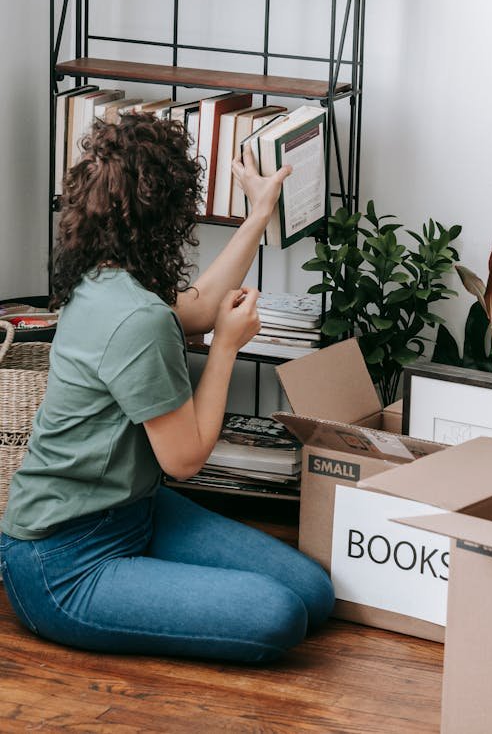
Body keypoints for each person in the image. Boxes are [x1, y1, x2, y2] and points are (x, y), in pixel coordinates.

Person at [0, 112, 334, 661]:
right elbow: (184, 461)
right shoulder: (136, 317)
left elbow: (199, 308)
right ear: (168, 213)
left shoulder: (104, 278)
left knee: (313, 594)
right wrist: (228, 345)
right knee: (278, 615)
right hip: (62, 564)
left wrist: (260, 213)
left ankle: (148, 581)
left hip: (135, 511)